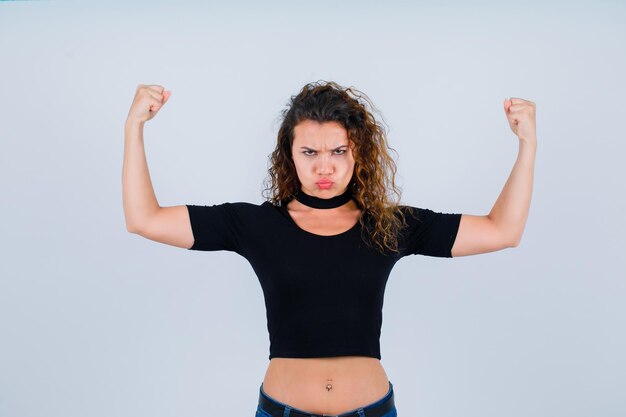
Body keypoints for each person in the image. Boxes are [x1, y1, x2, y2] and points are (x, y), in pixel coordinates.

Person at [122, 80, 537, 417]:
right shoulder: (254, 224)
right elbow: (145, 219)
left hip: (371, 410)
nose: (325, 166)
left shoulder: (389, 224)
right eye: (310, 152)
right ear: (290, 155)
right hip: (284, 410)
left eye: (339, 151)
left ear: (359, 154)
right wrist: (134, 127)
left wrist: (527, 145)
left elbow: (503, 230)